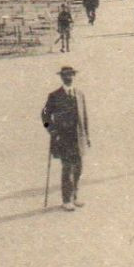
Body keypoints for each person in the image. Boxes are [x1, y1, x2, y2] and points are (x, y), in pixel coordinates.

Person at [41, 64, 91, 211]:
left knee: (78, 168)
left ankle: (75, 197)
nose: (69, 77)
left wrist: (86, 136)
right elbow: (44, 114)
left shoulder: (80, 94)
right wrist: (52, 130)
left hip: (78, 138)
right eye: (66, 75)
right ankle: (66, 200)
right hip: (64, 138)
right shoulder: (55, 96)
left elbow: (84, 116)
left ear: (74, 76)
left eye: (71, 75)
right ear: (62, 77)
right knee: (67, 168)